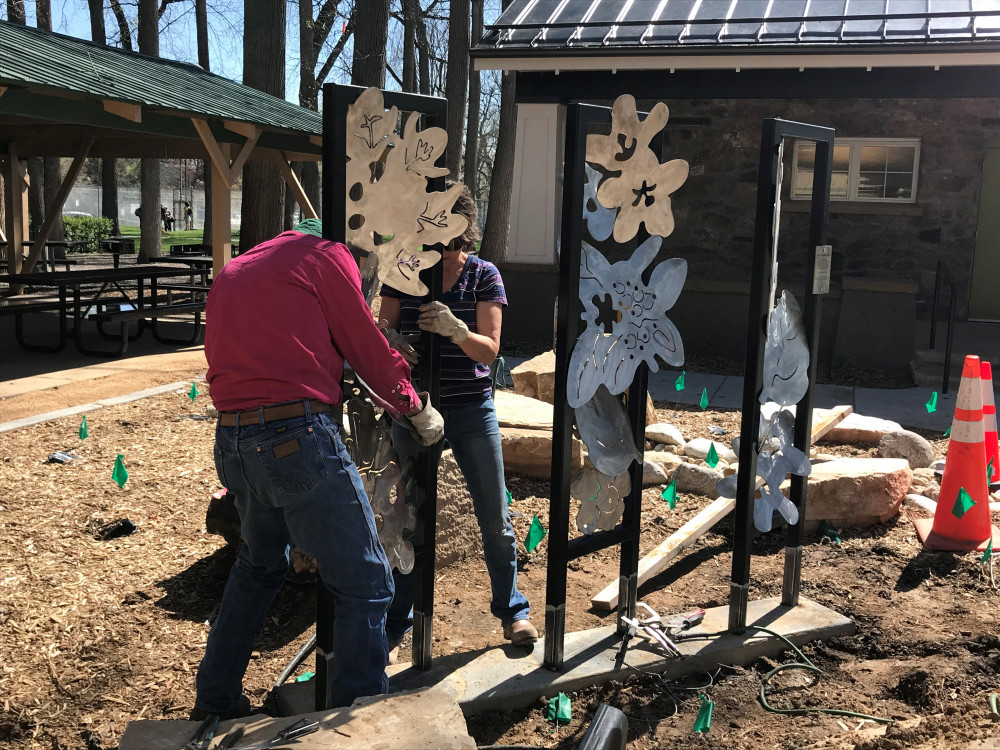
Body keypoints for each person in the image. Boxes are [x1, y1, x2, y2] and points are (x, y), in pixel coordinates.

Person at [192, 219, 444, 720]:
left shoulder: (240, 269)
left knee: (260, 565)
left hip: (234, 441)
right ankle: (355, 723)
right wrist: (414, 407)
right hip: (296, 438)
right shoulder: (327, 257)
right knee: (367, 581)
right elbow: (365, 343)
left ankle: (216, 700)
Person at [379, 183, 536, 660]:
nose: (438, 241)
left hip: (470, 408)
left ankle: (513, 611)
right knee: (407, 518)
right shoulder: (406, 266)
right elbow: (381, 329)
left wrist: (457, 329)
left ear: (463, 230)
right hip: (413, 409)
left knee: (494, 512)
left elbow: (489, 351)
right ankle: (395, 622)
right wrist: (394, 343)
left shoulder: (483, 276)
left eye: (447, 230)